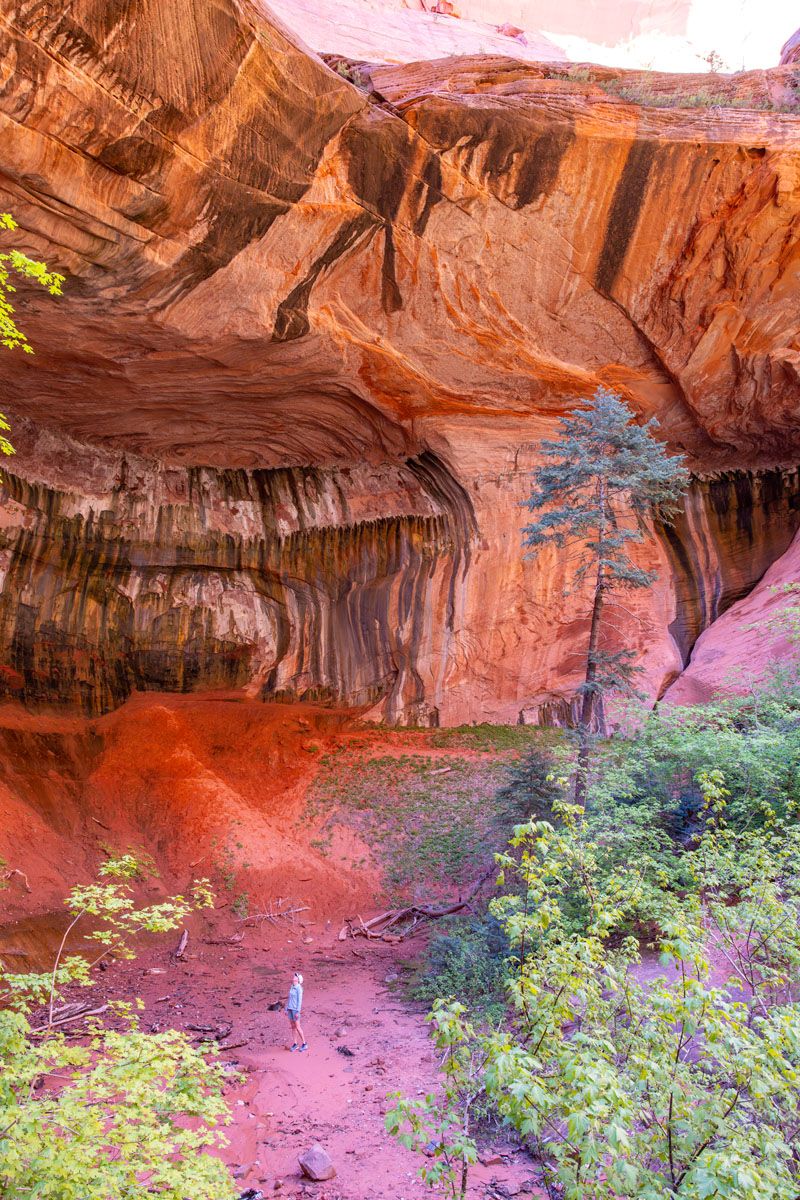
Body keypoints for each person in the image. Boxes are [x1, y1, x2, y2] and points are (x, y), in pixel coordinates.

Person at [286, 971, 307, 1052]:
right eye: (294, 976)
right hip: (290, 1009)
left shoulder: (299, 988)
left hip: (295, 1010)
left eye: (295, 976)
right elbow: (289, 998)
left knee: (298, 1027)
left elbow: (300, 1001)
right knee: (293, 1027)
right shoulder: (292, 986)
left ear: (298, 980)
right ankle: (295, 1044)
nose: (294, 977)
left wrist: (298, 1011)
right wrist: (286, 1008)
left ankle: (304, 1043)